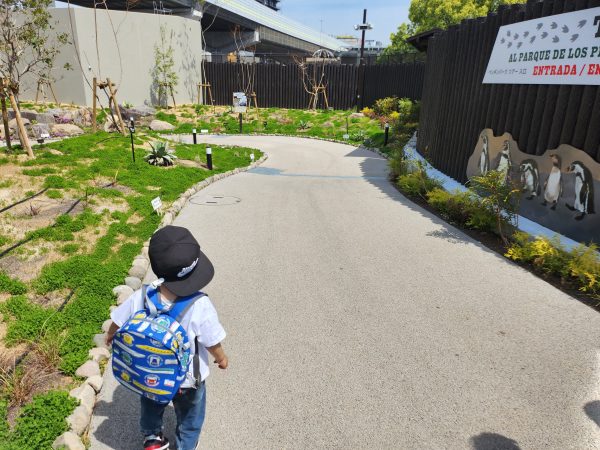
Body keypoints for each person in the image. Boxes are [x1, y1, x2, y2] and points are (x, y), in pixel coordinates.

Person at [106, 225, 228, 450]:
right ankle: (186, 444)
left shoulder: (142, 295)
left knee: (151, 404)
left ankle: (152, 439)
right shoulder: (200, 304)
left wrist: (110, 335)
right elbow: (212, 342)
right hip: (188, 380)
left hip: (150, 374)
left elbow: (118, 321)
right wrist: (222, 358)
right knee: (191, 416)